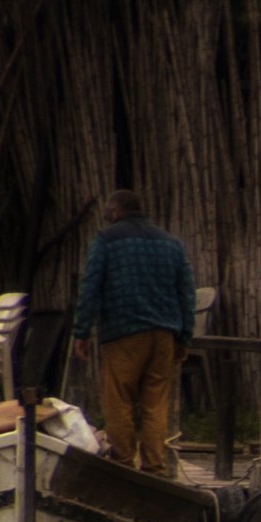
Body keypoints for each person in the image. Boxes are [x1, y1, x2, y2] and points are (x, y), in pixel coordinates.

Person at [72, 190, 196, 475]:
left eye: (107, 211)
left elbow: (90, 286)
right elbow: (186, 293)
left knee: (118, 400)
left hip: (123, 332)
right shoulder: (172, 243)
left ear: (116, 211)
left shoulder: (105, 240)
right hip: (164, 335)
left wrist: (82, 331)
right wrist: (184, 336)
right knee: (155, 404)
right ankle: (154, 467)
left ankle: (123, 465)